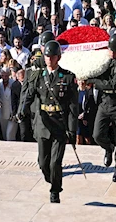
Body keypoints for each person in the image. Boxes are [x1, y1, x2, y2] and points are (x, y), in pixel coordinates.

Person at [17, 40, 78, 203]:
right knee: (43, 163)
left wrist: (72, 131)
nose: (48, 59)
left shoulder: (67, 77)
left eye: (52, 57)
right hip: (43, 123)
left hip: (59, 124)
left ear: (58, 57)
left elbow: (73, 107)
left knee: (55, 162)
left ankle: (55, 191)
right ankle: (52, 180)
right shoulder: (38, 76)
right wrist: (23, 110)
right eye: (46, 56)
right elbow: (29, 95)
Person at [91, 33, 116, 182]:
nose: (112, 53)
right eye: (110, 50)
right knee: (97, 135)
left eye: (115, 50)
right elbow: (96, 71)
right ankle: (108, 148)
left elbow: (113, 84)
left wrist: (93, 82)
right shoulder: (105, 61)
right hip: (105, 102)